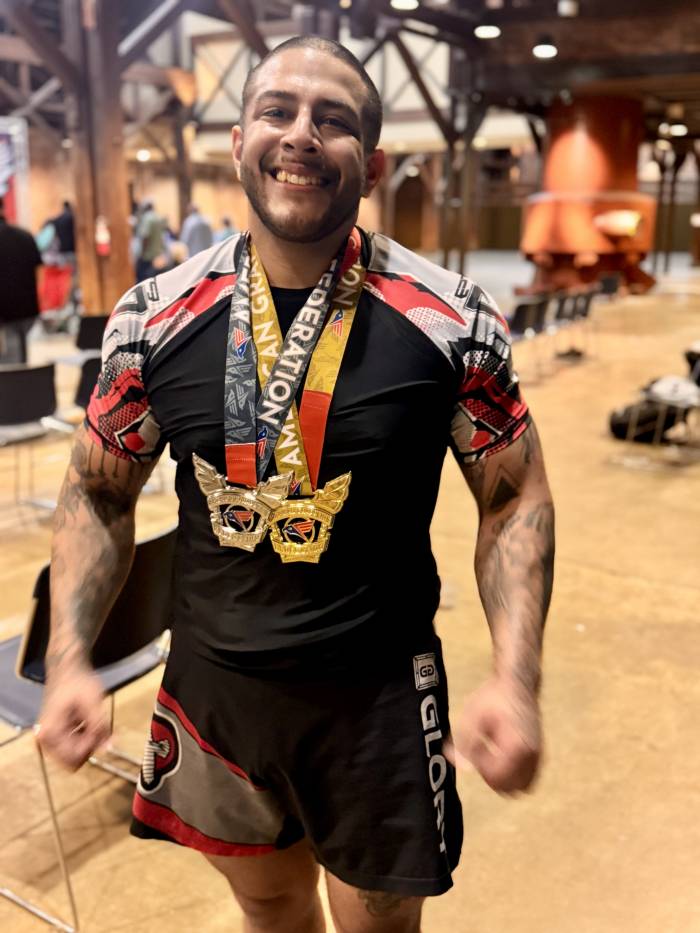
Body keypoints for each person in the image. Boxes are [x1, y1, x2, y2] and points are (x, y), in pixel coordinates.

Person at [38, 36, 554, 933]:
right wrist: (68, 659)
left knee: (378, 925)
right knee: (271, 908)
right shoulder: (151, 319)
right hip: (216, 694)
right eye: (277, 111)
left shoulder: (452, 319)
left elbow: (514, 500)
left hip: (377, 703)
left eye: (334, 120)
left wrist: (517, 678)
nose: (301, 134)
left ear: (374, 164)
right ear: (239, 141)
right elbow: (98, 492)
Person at [0, 197, 42, 363]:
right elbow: (38, 269)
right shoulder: (25, 235)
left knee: (10, 363)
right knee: (21, 357)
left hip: (4, 313)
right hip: (27, 309)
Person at [135, 200, 168, 282]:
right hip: (158, 255)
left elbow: (145, 236)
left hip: (148, 256)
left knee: (144, 280)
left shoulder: (147, 218)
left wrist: (142, 253)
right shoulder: (158, 217)